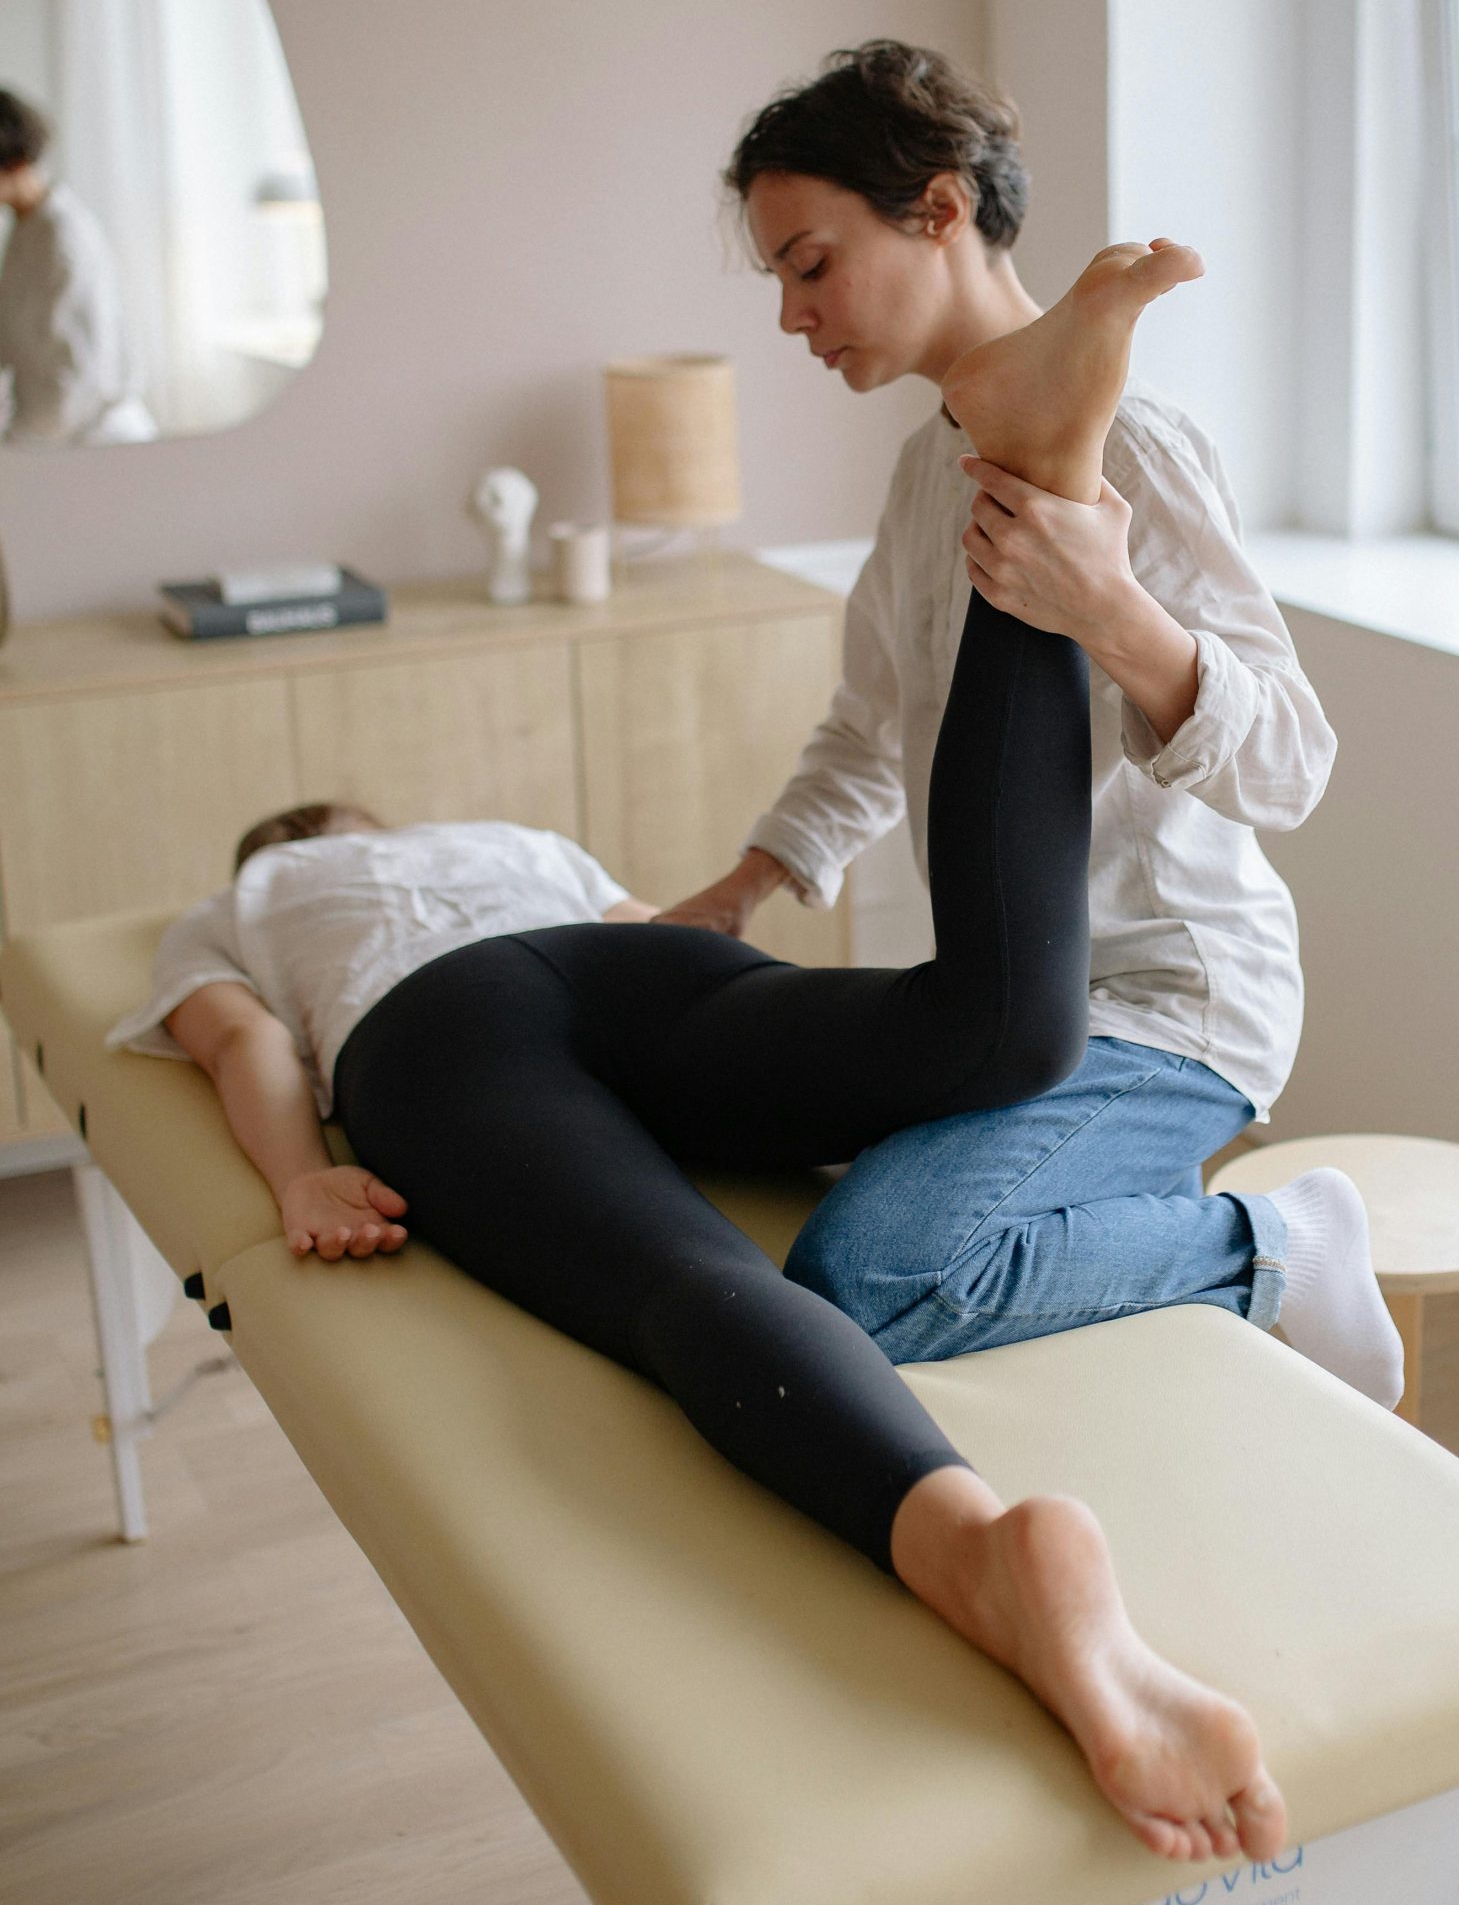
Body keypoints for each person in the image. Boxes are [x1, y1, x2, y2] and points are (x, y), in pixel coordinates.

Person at [112, 250, 1333, 1873]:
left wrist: (300, 1173)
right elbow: (658, 939)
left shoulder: (250, 902)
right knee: (967, 1018)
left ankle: (978, 1559)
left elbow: (245, 1043)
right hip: (625, 973)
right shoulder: (512, 847)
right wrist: (748, 995)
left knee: (688, 1288)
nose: (789, 303)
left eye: (806, 260)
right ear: (362, 827)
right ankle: (1052, 474)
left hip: (442, 1040)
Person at [663, 42, 1402, 1413]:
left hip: (1172, 1008)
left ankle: (1282, 1245)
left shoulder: (1136, 447)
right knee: (689, 1117)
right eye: (777, 281)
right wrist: (746, 884)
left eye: (810, 265)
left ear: (940, 210)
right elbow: (870, 721)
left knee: (866, 1278)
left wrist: (1114, 610)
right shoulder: (916, 478)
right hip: (1001, 1012)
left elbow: (1292, 762)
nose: (791, 318)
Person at [0, 87, 157, 445]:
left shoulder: (63, 236)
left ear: (16, 163)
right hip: (49, 434)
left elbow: (79, 376)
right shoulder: (25, 228)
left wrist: (17, 450)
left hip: (92, 443)